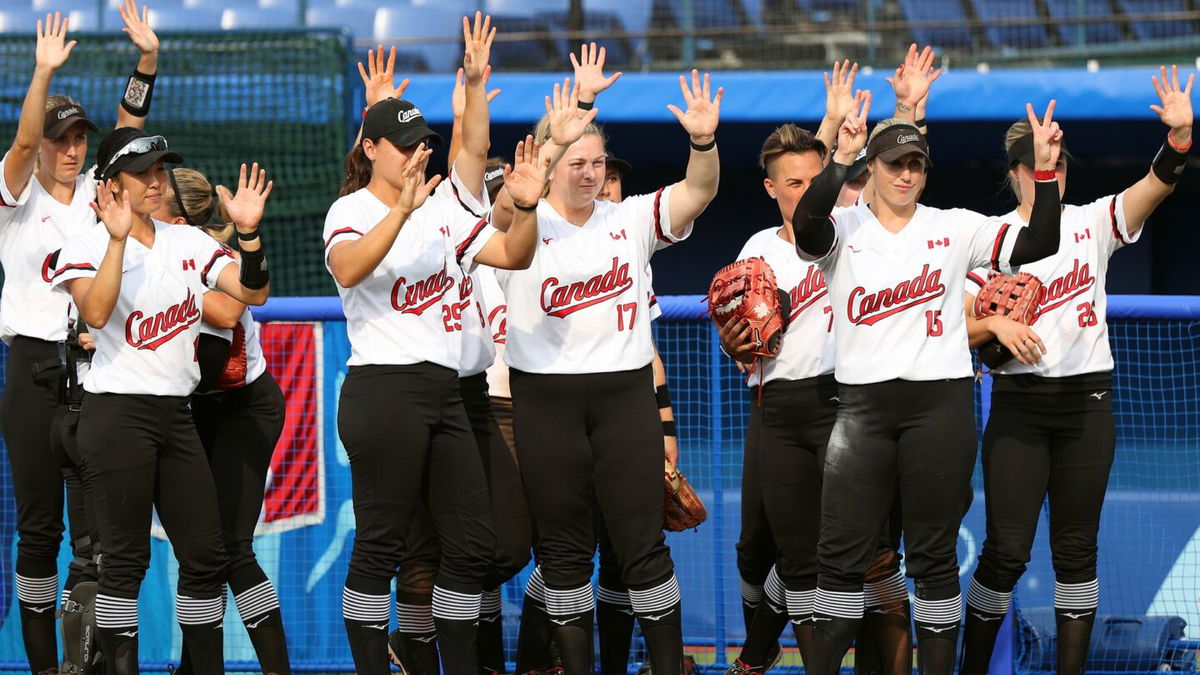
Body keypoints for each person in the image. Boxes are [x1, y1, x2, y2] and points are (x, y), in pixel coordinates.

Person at [790, 43, 1065, 675]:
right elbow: (806, 228)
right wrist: (841, 159)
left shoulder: (955, 226)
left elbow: (1040, 240)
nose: (906, 174)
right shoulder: (845, 226)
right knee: (840, 557)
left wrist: (1044, 175)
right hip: (861, 407)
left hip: (939, 404)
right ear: (875, 168)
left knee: (935, 559)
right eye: (894, 164)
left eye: (916, 163)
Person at [958, 65, 1194, 675]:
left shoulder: (1091, 222)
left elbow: (1155, 186)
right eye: (1038, 162)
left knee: (1076, 552)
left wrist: (1178, 141)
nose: (1051, 173)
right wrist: (995, 326)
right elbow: (959, 328)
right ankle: (973, 667)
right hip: (1018, 408)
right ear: (1016, 173)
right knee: (1006, 554)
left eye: (1058, 163)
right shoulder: (994, 241)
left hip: (1086, 404)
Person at [323, 60, 553, 670]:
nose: (412, 155)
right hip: (384, 387)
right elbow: (348, 268)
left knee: (474, 543)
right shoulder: (350, 210)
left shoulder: (444, 208)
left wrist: (526, 208)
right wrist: (399, 210)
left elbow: (511, 253)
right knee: (381, 544)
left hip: (448, 389)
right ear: (370, 149)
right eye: (400, 147)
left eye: (419, 145)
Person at [496, 64, 721, 673]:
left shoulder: (627, 219)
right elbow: (495, 211)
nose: (591, 173)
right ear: (551, 167)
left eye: (598, 162)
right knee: (564, 556)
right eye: (578, 163)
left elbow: (698, 191)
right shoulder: (520, 219)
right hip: (545, 403)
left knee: (643, 549)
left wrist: (702, 142)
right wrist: (547, 147)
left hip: (623, 401)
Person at [52, 126, 272, 675]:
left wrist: (248, 235)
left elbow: (253, 292)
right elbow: (97, 314)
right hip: (116, 415)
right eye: (143, 172)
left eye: (159, 170)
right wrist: (118, 239)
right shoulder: (84, 246)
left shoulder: (186, 241)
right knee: (124, 563)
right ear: (111, 185)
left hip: (175, 415)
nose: (156, 181)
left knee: (206, 556)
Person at [0, 5, 159, 673]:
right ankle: (45, 669)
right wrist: (41, 74)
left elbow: (129, 133)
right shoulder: (15, 192)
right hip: (34, 370)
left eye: (77, 139)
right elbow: (21, 143)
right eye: (61, 138)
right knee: (40, 533)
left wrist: (146, 63)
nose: (71, 149)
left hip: (96, 373)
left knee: (102, 538)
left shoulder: (99, 191)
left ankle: (96, 665)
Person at [153, 165, 292, 675]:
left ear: (177, 219)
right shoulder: (147, 253)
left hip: (243, 408)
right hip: (191, 412)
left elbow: (231, 312)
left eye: (154, 198)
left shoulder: (215, 258)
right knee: (200, 553)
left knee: (231, 548)